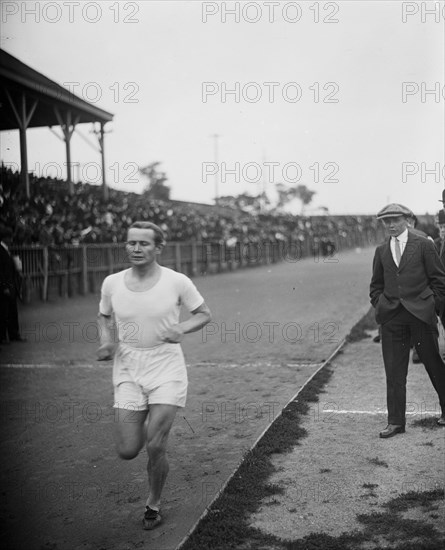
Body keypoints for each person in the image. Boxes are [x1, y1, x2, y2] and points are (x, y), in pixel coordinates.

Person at [97, 221, 212, 529]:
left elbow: (203, 314)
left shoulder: (177, 282)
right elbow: (104, 315)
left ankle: (153, 505)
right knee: (127, 450)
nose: (136, 248)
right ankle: (148, 429)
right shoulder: (112, 283)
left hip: (166, 367)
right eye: (131, 243)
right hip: (128, 368)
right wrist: (107, 341)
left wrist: (181, 328)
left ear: (158, 248)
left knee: (156, 445)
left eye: (144, 244)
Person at [370, 203, 445, 437]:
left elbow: (439, 281)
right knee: (394, 372)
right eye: (386, 221)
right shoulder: (381, 251)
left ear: (407, 220)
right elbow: (376, 286)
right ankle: (395, 422)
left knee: (434, 366)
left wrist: (432, 306)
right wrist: (381, 304)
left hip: (421, 316)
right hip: (392, 318)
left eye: (395, 219)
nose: (391, 224)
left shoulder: (424, 245)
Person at [0, 226, 25, 344]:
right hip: (6, 285)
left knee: (12, 311)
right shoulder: (1, 251)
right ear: (5, 238)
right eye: (9, 237)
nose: (11, 240)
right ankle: (3, 337)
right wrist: (4, 287)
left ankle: (14, 334)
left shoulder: (6, 250)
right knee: (4, 312)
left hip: (11, 284)